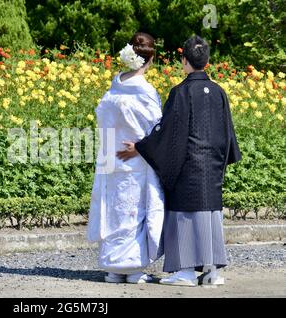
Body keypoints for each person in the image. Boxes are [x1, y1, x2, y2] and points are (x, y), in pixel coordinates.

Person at [117, 35, 242, 286]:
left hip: (188, 166)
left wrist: (141, 147)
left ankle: (185, 272)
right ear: (206, 61)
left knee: (185, 213)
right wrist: (218, 160)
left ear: (184, 60)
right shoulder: (219, 92)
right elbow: (227, 133)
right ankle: (210, 272)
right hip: (212, 166)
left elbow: (167, 131)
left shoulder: (181, 92)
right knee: (210, 214)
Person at [87, 32, 165, 284]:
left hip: (112, 156)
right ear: (150, 59)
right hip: (136, 157)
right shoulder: (145, 91)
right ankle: (132, 268)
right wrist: (142, 147)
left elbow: (103, 119)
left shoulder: (114, 86)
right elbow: (157, 128)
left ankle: (113, 268)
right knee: (134, 210)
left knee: (114, 210)